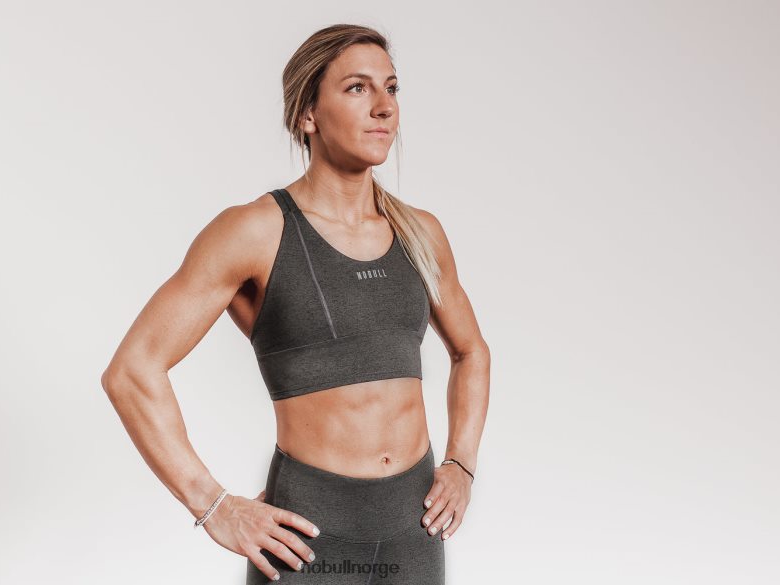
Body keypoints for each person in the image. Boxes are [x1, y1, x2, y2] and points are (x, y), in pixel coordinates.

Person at [101, 24, 490, 584]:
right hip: (308, 534)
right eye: (357, 88)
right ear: (308, 114)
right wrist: (214, 506)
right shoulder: (254, 232)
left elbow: (471, 351)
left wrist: (461, 463)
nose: (384, 107)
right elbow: (132, 371)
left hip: (414, 531)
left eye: (391, 88)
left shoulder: (420, 233)